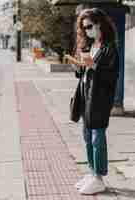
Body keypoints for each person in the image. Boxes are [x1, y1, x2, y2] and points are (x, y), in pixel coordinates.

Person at [73, 8, 119, 195]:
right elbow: (85, 73)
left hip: (100, 99)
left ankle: (99, 177)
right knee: (86, 136)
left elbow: (111, 74)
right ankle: (92, 173)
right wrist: (78, 67)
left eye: (89, 27)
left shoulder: (109, 48)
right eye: (84, 29)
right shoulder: (90, 46)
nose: (87, 31)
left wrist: (94, 66)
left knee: (96, 138)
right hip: (86, 96)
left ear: (99, 24)